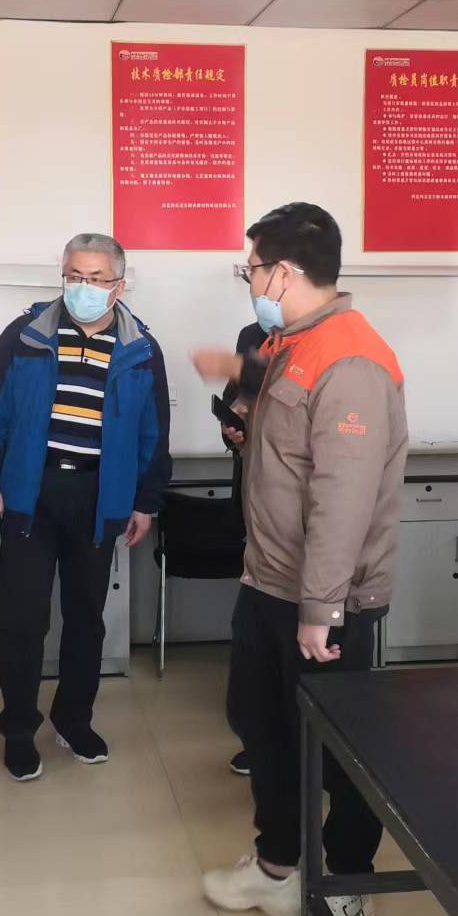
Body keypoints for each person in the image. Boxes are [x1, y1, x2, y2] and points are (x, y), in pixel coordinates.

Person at [196, 203, 408, 916]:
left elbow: (342, 498)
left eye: (252, 269)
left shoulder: (350, 359)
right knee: (264, 727)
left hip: (325, 599)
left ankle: (349, 885)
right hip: (269, 579)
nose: (250, 282)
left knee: (339, 747)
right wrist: (237, 381)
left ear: (283, 272)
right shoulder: (289, 344)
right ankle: (278, 865)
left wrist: (321, 608)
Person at [0, 234, 171, 782]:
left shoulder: (142, 349)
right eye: (75, 275)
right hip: (30, 494)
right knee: (20, 619)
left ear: (118, 285)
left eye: (96, 278)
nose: (83, 286)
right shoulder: (24, 336)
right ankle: (18, 730)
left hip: (99, 499)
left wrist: (145, 502)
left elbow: (154, 433)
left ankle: (74, 720)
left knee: (86, 620)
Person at [194, 321, 268, 778]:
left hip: (295, 514)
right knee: (254, 632)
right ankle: (260, 741)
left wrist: (231, 364)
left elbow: (292, 391)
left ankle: (291, 747)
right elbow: (237, 398)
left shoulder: (323, 344)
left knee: (287, 638)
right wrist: (233, 428)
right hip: (254, 501)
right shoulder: (252, 335)